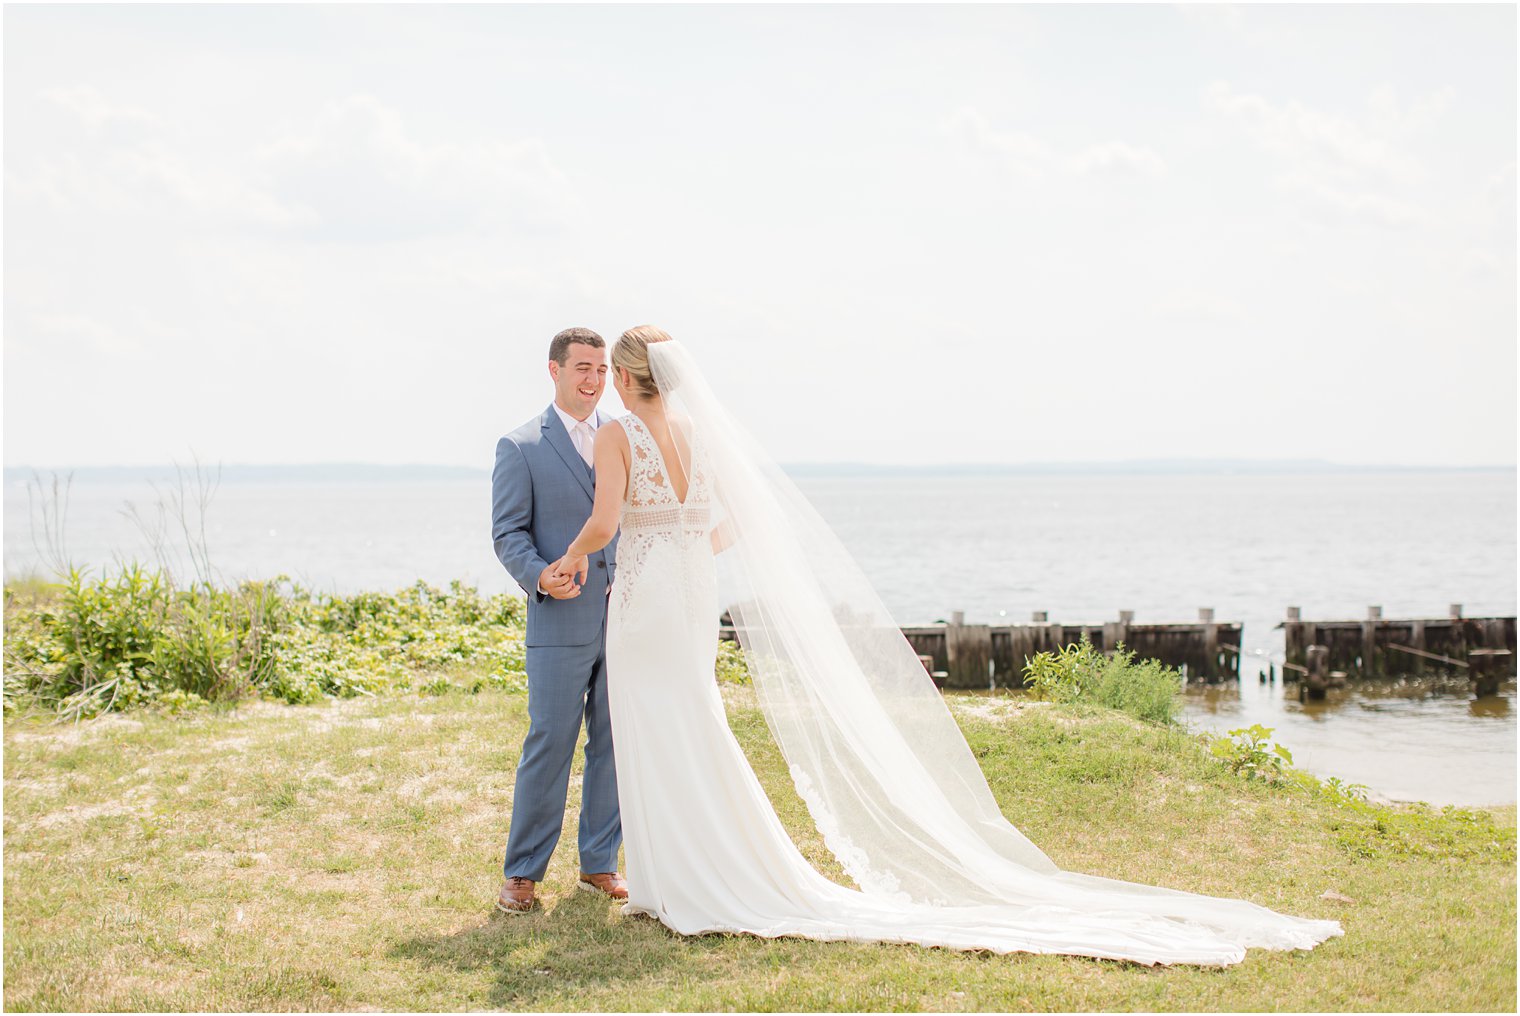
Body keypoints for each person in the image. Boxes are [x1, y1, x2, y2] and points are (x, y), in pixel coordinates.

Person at [547, 326, 1344, 966]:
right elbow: (742, 523)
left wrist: (575, 558)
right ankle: (672, 875)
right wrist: (686, 543)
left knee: (658, 725)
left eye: (611, 373)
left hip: (648, 598)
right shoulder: (698, 431)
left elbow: (608, 523)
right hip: (689, 594)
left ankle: (671, 880)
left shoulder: (621, 431)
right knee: (694, 721)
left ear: (624, 376)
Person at [489, 327, 627, 914]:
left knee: (615, 742)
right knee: (550, 742)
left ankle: (599, 861)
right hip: (557, 620)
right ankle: (522, 872)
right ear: (554, 370)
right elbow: (507, 533)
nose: (594, 380)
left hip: (623, 619)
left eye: (601, 369)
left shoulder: (622, 438)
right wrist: (542, 574)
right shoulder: (520, 446)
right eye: (582, 369)